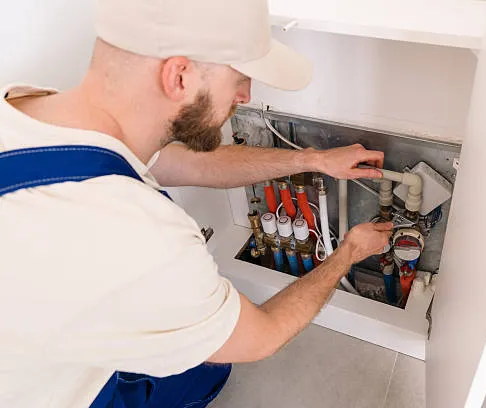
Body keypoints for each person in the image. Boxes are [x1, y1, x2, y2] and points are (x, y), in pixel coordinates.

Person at [0, 0, 393, 407]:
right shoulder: (142, 234)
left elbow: (185, 163)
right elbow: (262, 335)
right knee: (209, 368)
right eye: (239, 77)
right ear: (179, 76)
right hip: (59, 394)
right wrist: (349, 252)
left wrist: (312, 160)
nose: (246, 95)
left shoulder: (26, 106)